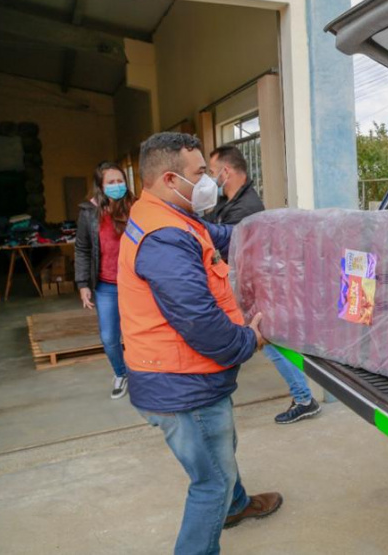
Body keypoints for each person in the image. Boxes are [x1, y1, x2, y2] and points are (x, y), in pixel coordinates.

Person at [119, 132, 281, 554]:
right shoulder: (164, 238)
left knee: (221, 446)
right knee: (211, 481)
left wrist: (280, 230)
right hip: (180, 385)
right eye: (201, 173)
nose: (209, 180)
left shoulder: (171, 215)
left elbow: (222, 237)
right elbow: (201, 324)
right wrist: (249, 340)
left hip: (182, 376)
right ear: (171, 179)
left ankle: (236, 506)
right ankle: (219, 512)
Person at [206, 145, 321, 425]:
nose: (209, 180)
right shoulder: (228, 203)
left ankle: (305, 398)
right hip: (240, 287)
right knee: (263, 342)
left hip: (254, 288)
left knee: (270, 343)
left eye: (211, 172)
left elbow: (232, 251)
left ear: (226, 171)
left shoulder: (248, 209)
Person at [75, 162, 134, 399]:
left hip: (135, 283)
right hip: (106, 285)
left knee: (136, 333)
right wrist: (82, 285)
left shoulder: (135, 206)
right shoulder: (88, 213)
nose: (117, 185)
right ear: (100, 186)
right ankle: (121, 373)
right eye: (111, 182)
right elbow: (82, 249)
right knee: (109, 337)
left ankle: (144, 374)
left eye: (120, 181)